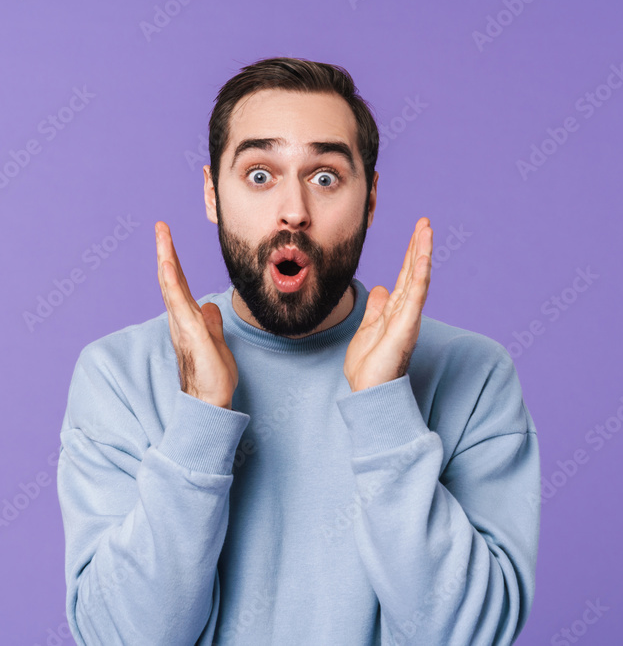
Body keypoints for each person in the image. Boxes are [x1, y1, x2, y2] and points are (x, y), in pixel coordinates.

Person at [57, 56, 540, 645]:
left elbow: (467, 636)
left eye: (325, 177)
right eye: (260, 174)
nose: (294, 211)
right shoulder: (117, 376)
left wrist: (385, 408)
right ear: (213, 194)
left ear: (371, 199)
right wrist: (200, 421)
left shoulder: (474, 375)